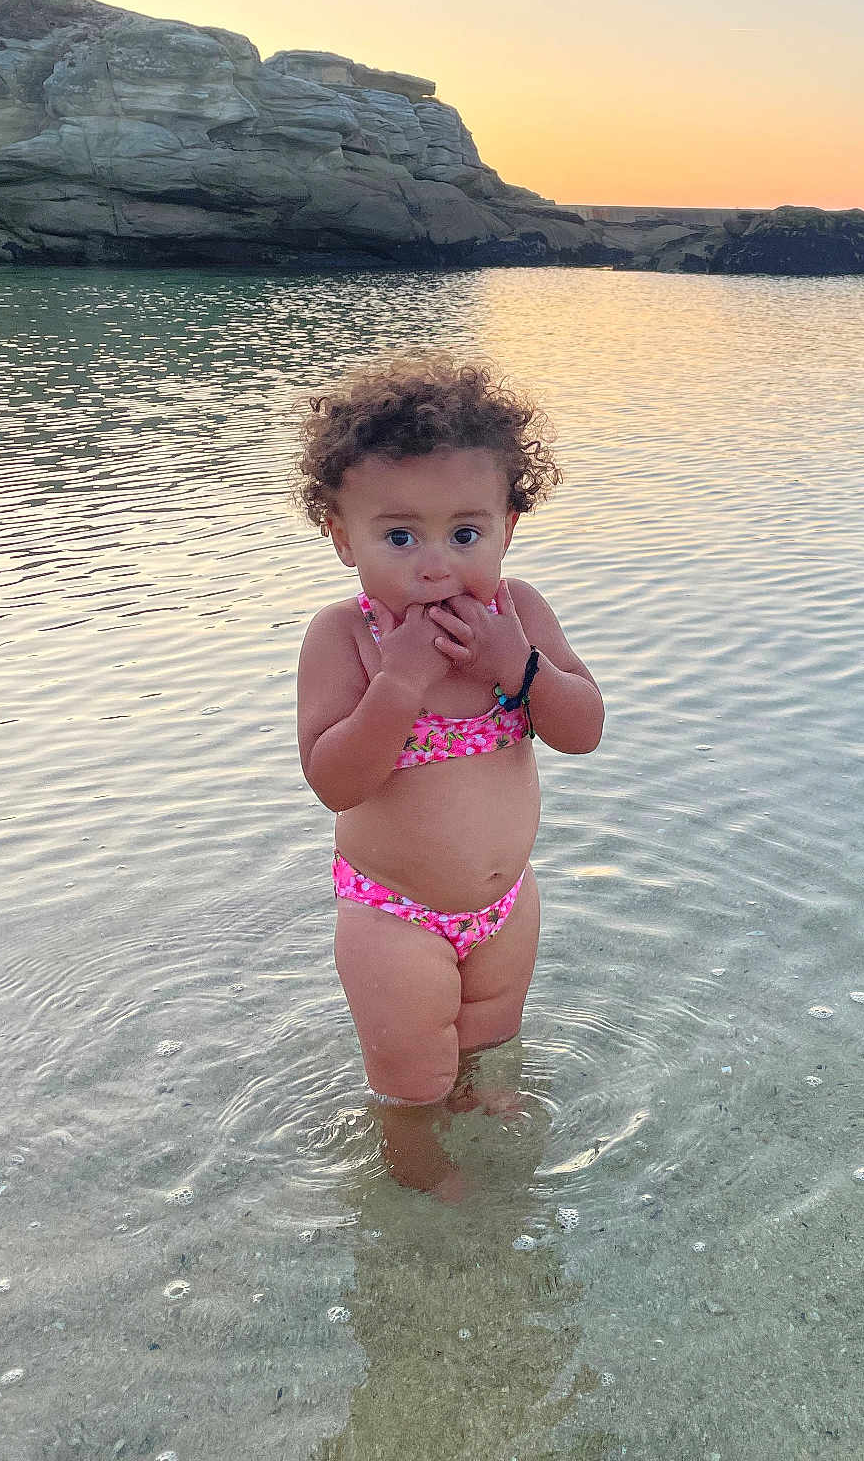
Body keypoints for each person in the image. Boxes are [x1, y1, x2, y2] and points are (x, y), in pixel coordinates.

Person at [293, 350, 604, 1147]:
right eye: (399, 536)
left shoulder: (520, 614)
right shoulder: (345, 639)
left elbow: (583, 730)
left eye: (465, 533)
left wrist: (517, 666)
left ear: (509, 525)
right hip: (395, 917)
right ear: (341, 537)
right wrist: (395, 687)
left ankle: (496, 1181)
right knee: (414, 1085)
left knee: (493, 1058)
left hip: (506, 910)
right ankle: (417, 1181)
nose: (436, 567)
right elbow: (335, 783)